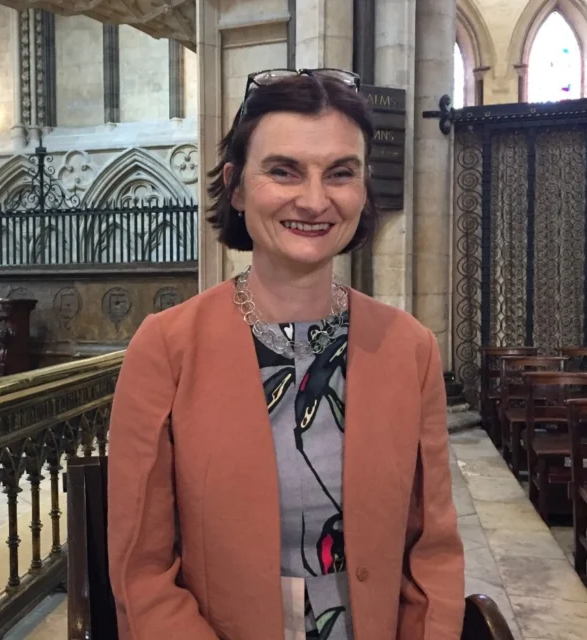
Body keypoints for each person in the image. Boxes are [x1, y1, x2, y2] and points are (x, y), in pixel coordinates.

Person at [106, 69, 465, 640]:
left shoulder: (409, 348)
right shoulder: (167, 348)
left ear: (363, 188)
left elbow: (433, 551)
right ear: (237, 187)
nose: (315, 200)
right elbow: (142, 572)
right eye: (284, 171)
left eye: (340, 173)